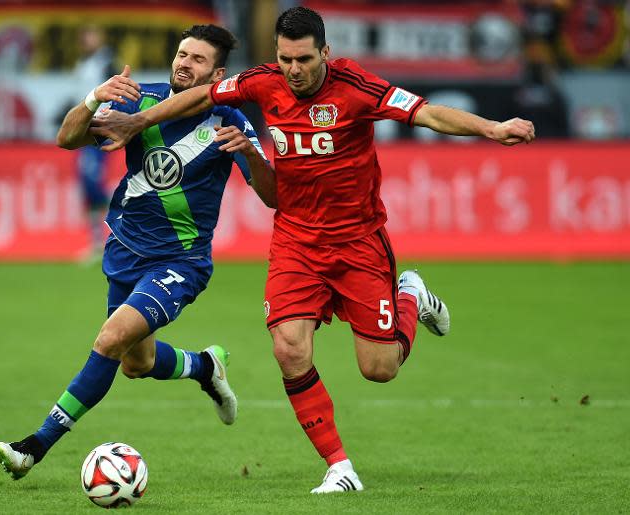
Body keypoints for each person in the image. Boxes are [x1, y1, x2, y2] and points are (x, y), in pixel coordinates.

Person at [91, 7, 536, 494]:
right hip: (296, 241)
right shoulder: (263, 81)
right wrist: (137, 124)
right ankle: (339, 466)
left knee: (378, 369)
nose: (294, 70)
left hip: (358, 241)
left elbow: (426, 112)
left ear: (325, 52)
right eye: (285, 59)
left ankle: (411, 294)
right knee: (288, 346)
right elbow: (198, 97)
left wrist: (491, 128)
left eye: (303, 59)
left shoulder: (358, 87)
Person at [0, 24, 273, 479]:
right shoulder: (139, 101)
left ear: (218, 72)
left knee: (109, 339)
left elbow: (274, 196)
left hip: (180, 263)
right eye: (182, 54)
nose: (185, 63)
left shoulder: (231, 120)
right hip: (124, 252)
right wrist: (93, 99)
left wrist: (253, 156)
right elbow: (67, 139)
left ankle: (34, 447)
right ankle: (205, 366)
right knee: (135, 363)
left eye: (198, 59)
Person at [73, 25, 116, 258]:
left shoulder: (107, 63)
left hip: (100, 129)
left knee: (91, 181)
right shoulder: (82, 64)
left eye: (92, 34)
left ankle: (122, 211)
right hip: (83, 131)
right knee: (86, 185)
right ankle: (97, 241)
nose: (88, 40)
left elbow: (117, 93)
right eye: (85, 36)